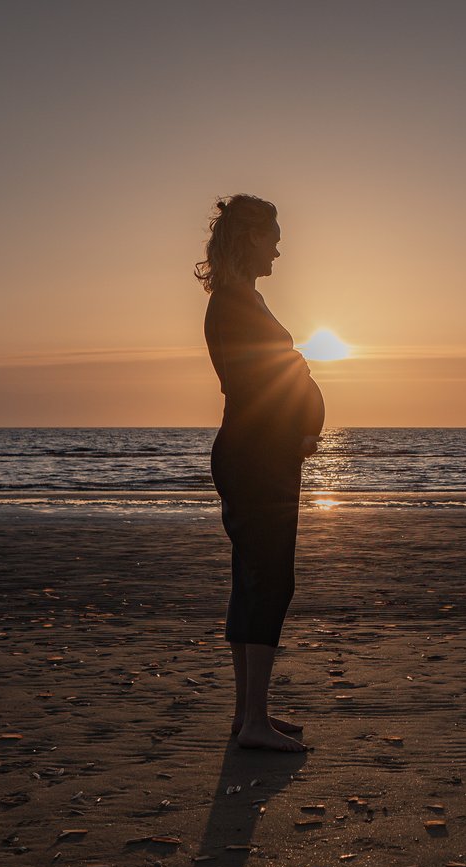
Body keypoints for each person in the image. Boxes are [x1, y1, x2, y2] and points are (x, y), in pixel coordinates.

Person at [196, 194, 322, 752]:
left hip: (259, 453)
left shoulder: (243, 298)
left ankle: (249, 713)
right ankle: (252, 722)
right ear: (251, 237)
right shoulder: (233, 303)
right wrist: (297, 381)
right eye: (273, 237)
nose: (278, 248)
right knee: (269, 580)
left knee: (253, 578)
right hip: (256, 456)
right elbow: (255, 383)